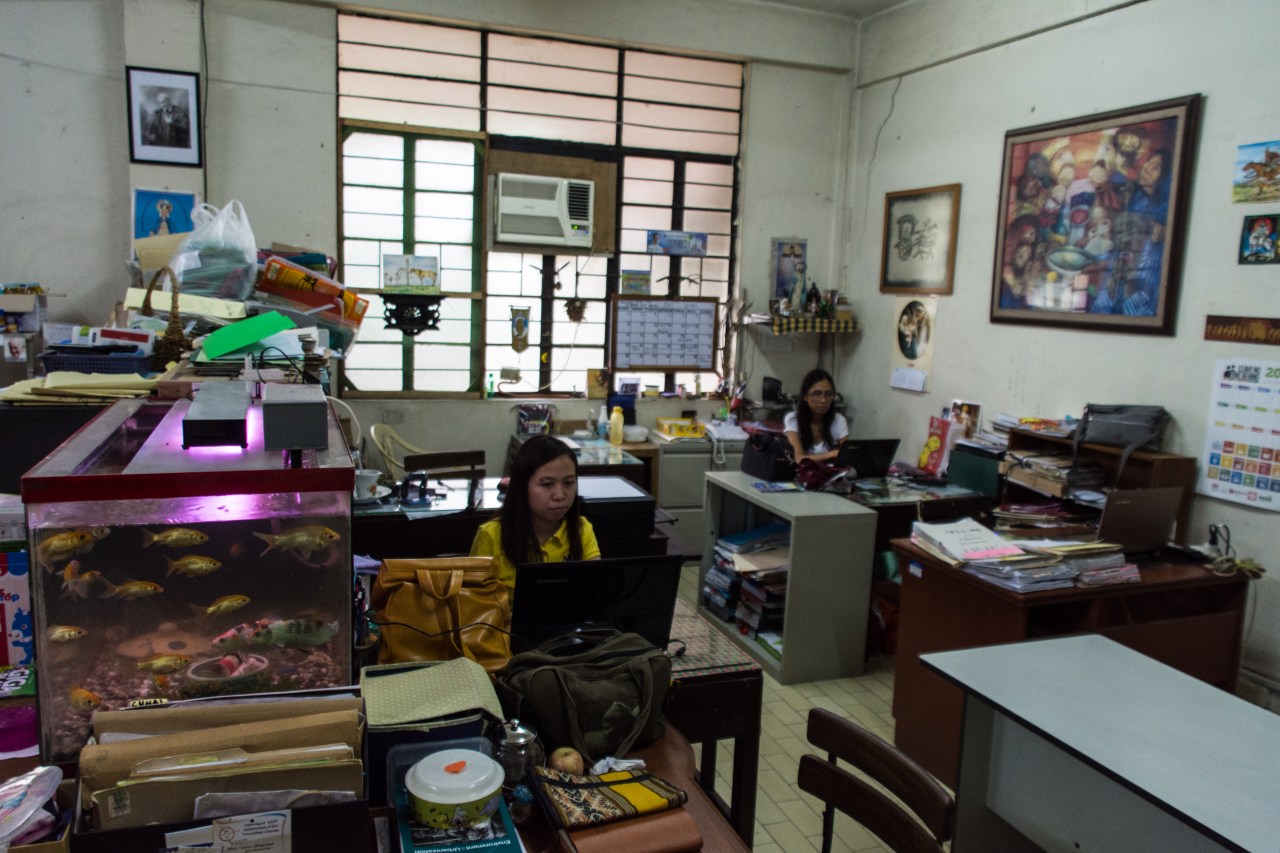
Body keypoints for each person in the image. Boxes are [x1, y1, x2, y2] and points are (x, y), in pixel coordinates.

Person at [469, 434, 600, 593]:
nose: (560, 495)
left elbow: (594, 591)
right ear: (522, 486)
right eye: (547, 484)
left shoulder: (582, 529)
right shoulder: (491, 535)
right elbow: (475, 602)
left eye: (568, 483)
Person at [784, 368, 849, 463]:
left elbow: (847, 454)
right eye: (817, 394)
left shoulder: (839, 420)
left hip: (831, 470)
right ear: (805, 396)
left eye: (828, 394)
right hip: (803, 470)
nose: (823, 400)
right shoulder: (793, 419)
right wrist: (832, 454)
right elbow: (799, 459)